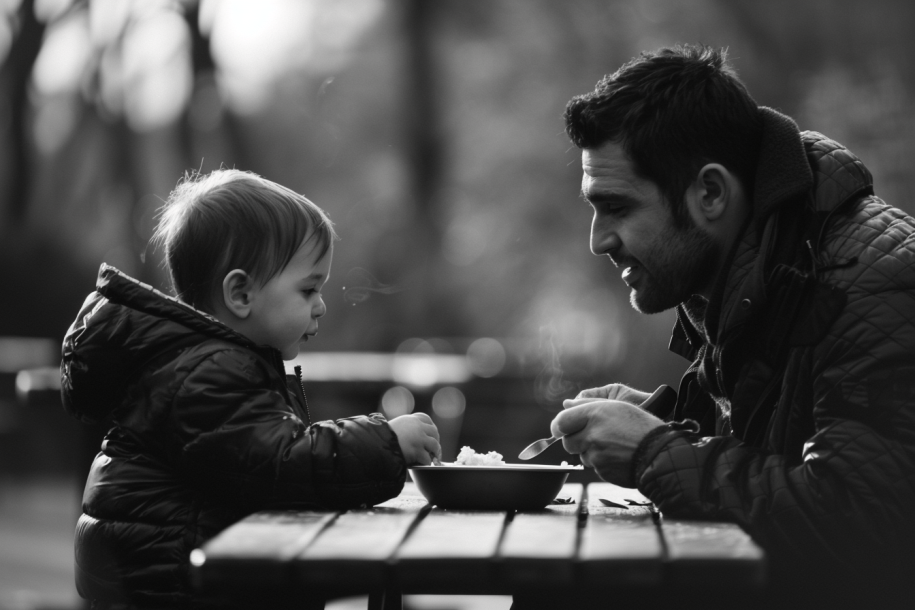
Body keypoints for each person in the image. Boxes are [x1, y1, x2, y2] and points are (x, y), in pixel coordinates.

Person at [553, 44, 915, 606]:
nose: (597, 239)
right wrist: (673, 420)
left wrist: (653, 453)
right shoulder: (758, 262)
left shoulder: (874, 282)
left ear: (711, 193)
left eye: (618, 207)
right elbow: (786, 442)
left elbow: (864, 525)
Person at [60, 169, 442, 609]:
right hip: (181, 593)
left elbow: (271, 452)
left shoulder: (206, 366)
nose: (321, 305)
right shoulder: (208, 375)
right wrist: (386, 441)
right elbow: (282, 464)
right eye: (308, 288)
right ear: (241, 293)